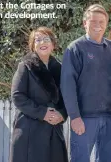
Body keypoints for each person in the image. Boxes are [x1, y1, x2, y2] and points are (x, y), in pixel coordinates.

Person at [60, 4, 111, 162]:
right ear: (84, 23)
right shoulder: (75, 49)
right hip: (84, 118)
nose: (98, 26)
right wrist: (74, 116)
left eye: (102, 22)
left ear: (106, 24)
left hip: (110, 118)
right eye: (93, 21)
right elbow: (67, 85)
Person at [10, 27, 68, 162]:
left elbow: (67, 98)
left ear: (53, 45)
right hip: (30, 130)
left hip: (54, 130)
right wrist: (43, 113)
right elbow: (18, 96)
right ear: (32, 46)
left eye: (46, 39)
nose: (42, 43)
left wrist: (62, 114)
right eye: (38, 40)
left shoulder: (60, 69)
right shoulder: (25, 66)